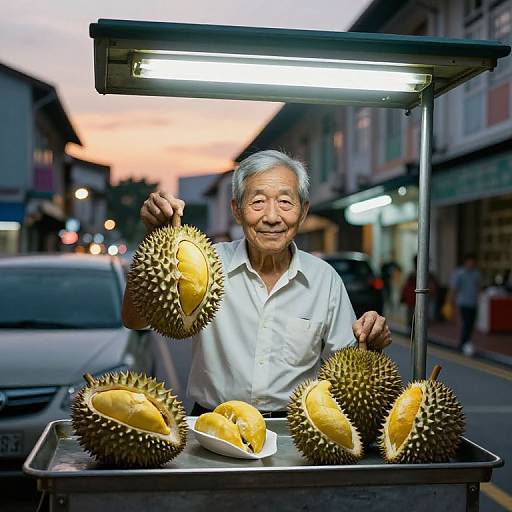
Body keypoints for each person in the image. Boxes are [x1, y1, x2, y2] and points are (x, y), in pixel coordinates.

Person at [122, 150, 392, 416]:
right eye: (258, 202)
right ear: (237, 211)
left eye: (285, 203)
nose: (272, 217)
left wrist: (372, 341)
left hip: (294, 431)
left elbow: (350, 365)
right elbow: (136, 321)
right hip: (212, 425)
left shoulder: (324, 278)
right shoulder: (204, 263)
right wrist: (157, 239)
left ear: (303, 211)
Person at [448, 253, 481, 356]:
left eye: (473, 262)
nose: (471, 264)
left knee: (471, 325)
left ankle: (465, 343)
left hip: (473, 303)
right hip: (463, 303)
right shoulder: (459, 273)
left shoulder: (476, 274)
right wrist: (450, 301)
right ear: (466, 262)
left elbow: (478, 287)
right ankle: (463, 344)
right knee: (465, 324)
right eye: (470, 262)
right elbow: (453, 288)